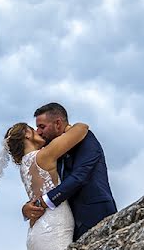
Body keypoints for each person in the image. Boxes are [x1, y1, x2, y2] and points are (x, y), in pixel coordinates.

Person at [21, 103, 117, 241]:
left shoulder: (87, 139)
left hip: (96, 214)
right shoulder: (51, 149)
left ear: (58, 123)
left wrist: (43, 202)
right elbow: (42, 183)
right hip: (66, 226)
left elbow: (79, 177)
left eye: (42, 126)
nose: (39, 132)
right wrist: (26, 209)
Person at [4, 119, 88, 250]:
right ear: (27, 134)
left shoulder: (24, 165)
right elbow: (82, 129)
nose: (38, 131)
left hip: (36, 231)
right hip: (54, 226)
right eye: (34, 129)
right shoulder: (43, 156)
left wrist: (25, 209)